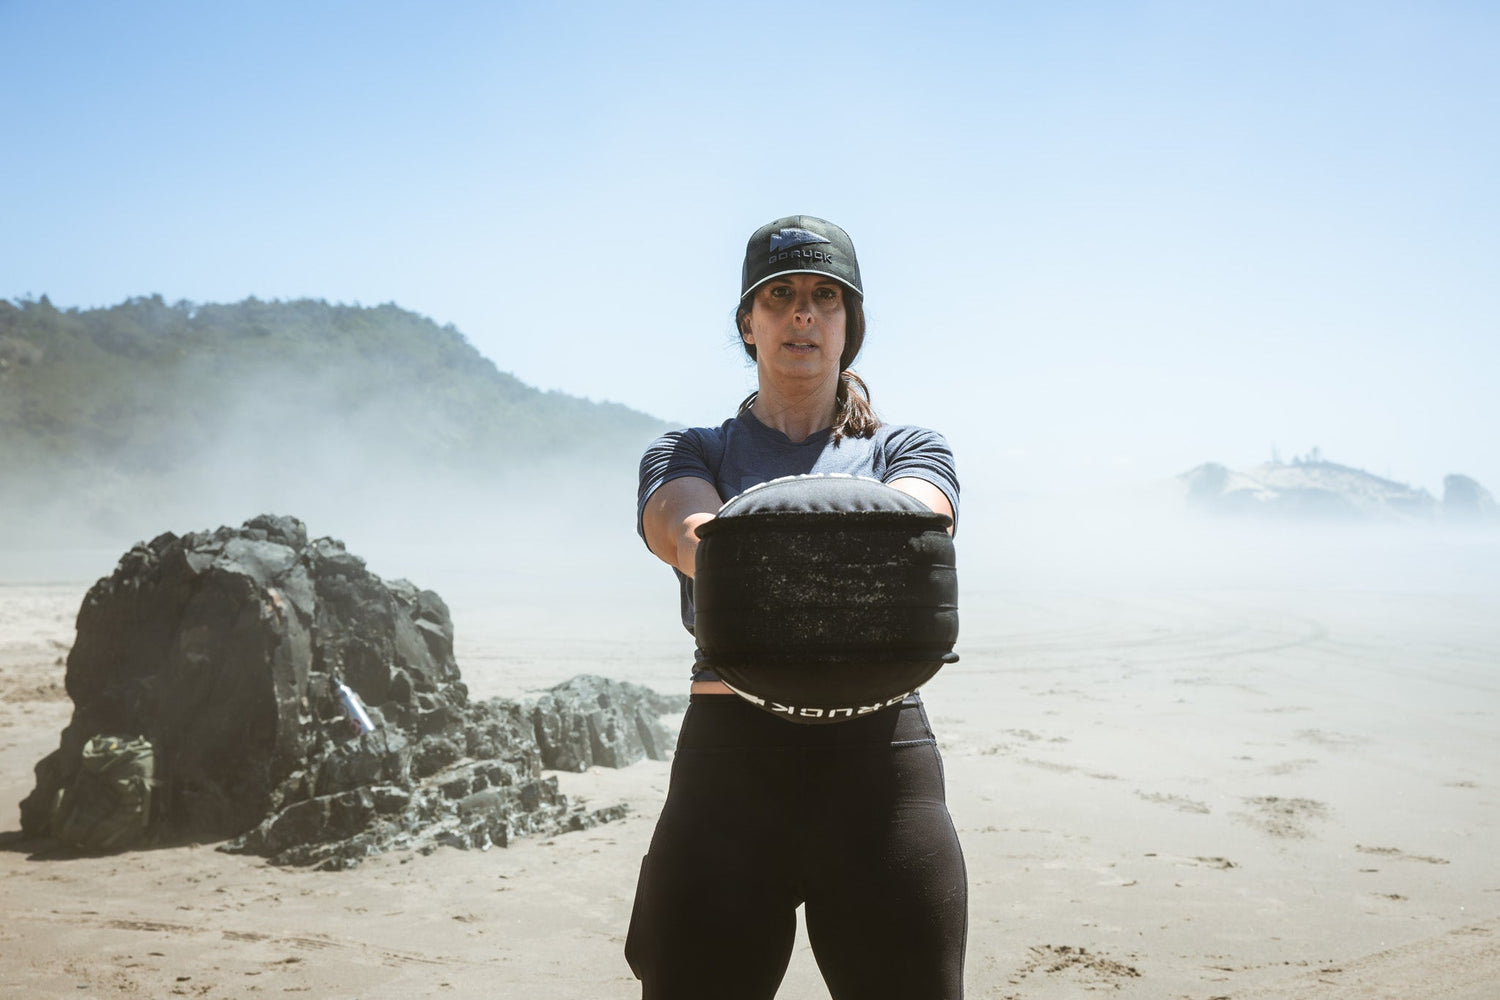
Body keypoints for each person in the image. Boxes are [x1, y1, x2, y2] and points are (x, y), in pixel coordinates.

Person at [628, 216, 968, 999]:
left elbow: (919, 530)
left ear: (851, 324)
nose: (802, 314)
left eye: (824, 297)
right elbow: (690, 540)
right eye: (779, 297)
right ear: (749, 323)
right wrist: (848, 556)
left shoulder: (910, 448)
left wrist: (760, 556)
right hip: (728, 777)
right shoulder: (689, 452)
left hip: (882, 776)